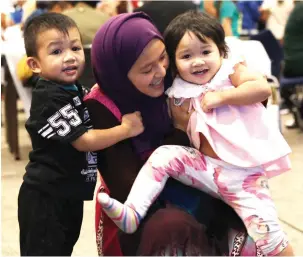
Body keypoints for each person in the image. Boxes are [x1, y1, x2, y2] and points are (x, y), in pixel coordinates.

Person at [98, 11, 294, 256]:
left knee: (268, 234)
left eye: (206, 52)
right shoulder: (177, 88)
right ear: (176, 62)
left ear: (221, 51)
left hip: (245, 178)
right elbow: (176, 133)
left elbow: (261, 88)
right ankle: (132, 212)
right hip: (206, 169)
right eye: (186, 56)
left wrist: (223, 97)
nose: (198, 61)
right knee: (163, 156)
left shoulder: (229, 72)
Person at [85, 11, 227, 256]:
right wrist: (181, 130)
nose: (161, 72)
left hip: (196, 183)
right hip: (141, 208)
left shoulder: (176, 77)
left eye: (163, 57)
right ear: (119, 75)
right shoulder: (101, 107)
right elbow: (126, 186)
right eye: (146, 69)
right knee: (172, 227)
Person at [18, 12, 144, 256]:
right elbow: (84, 141)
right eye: (56, 52)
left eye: (75, 48)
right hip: (46, 197)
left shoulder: (72, 88)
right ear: (35, 64)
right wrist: (125, 130)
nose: (69, 57)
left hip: (69, 194)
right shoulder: (50, 97)